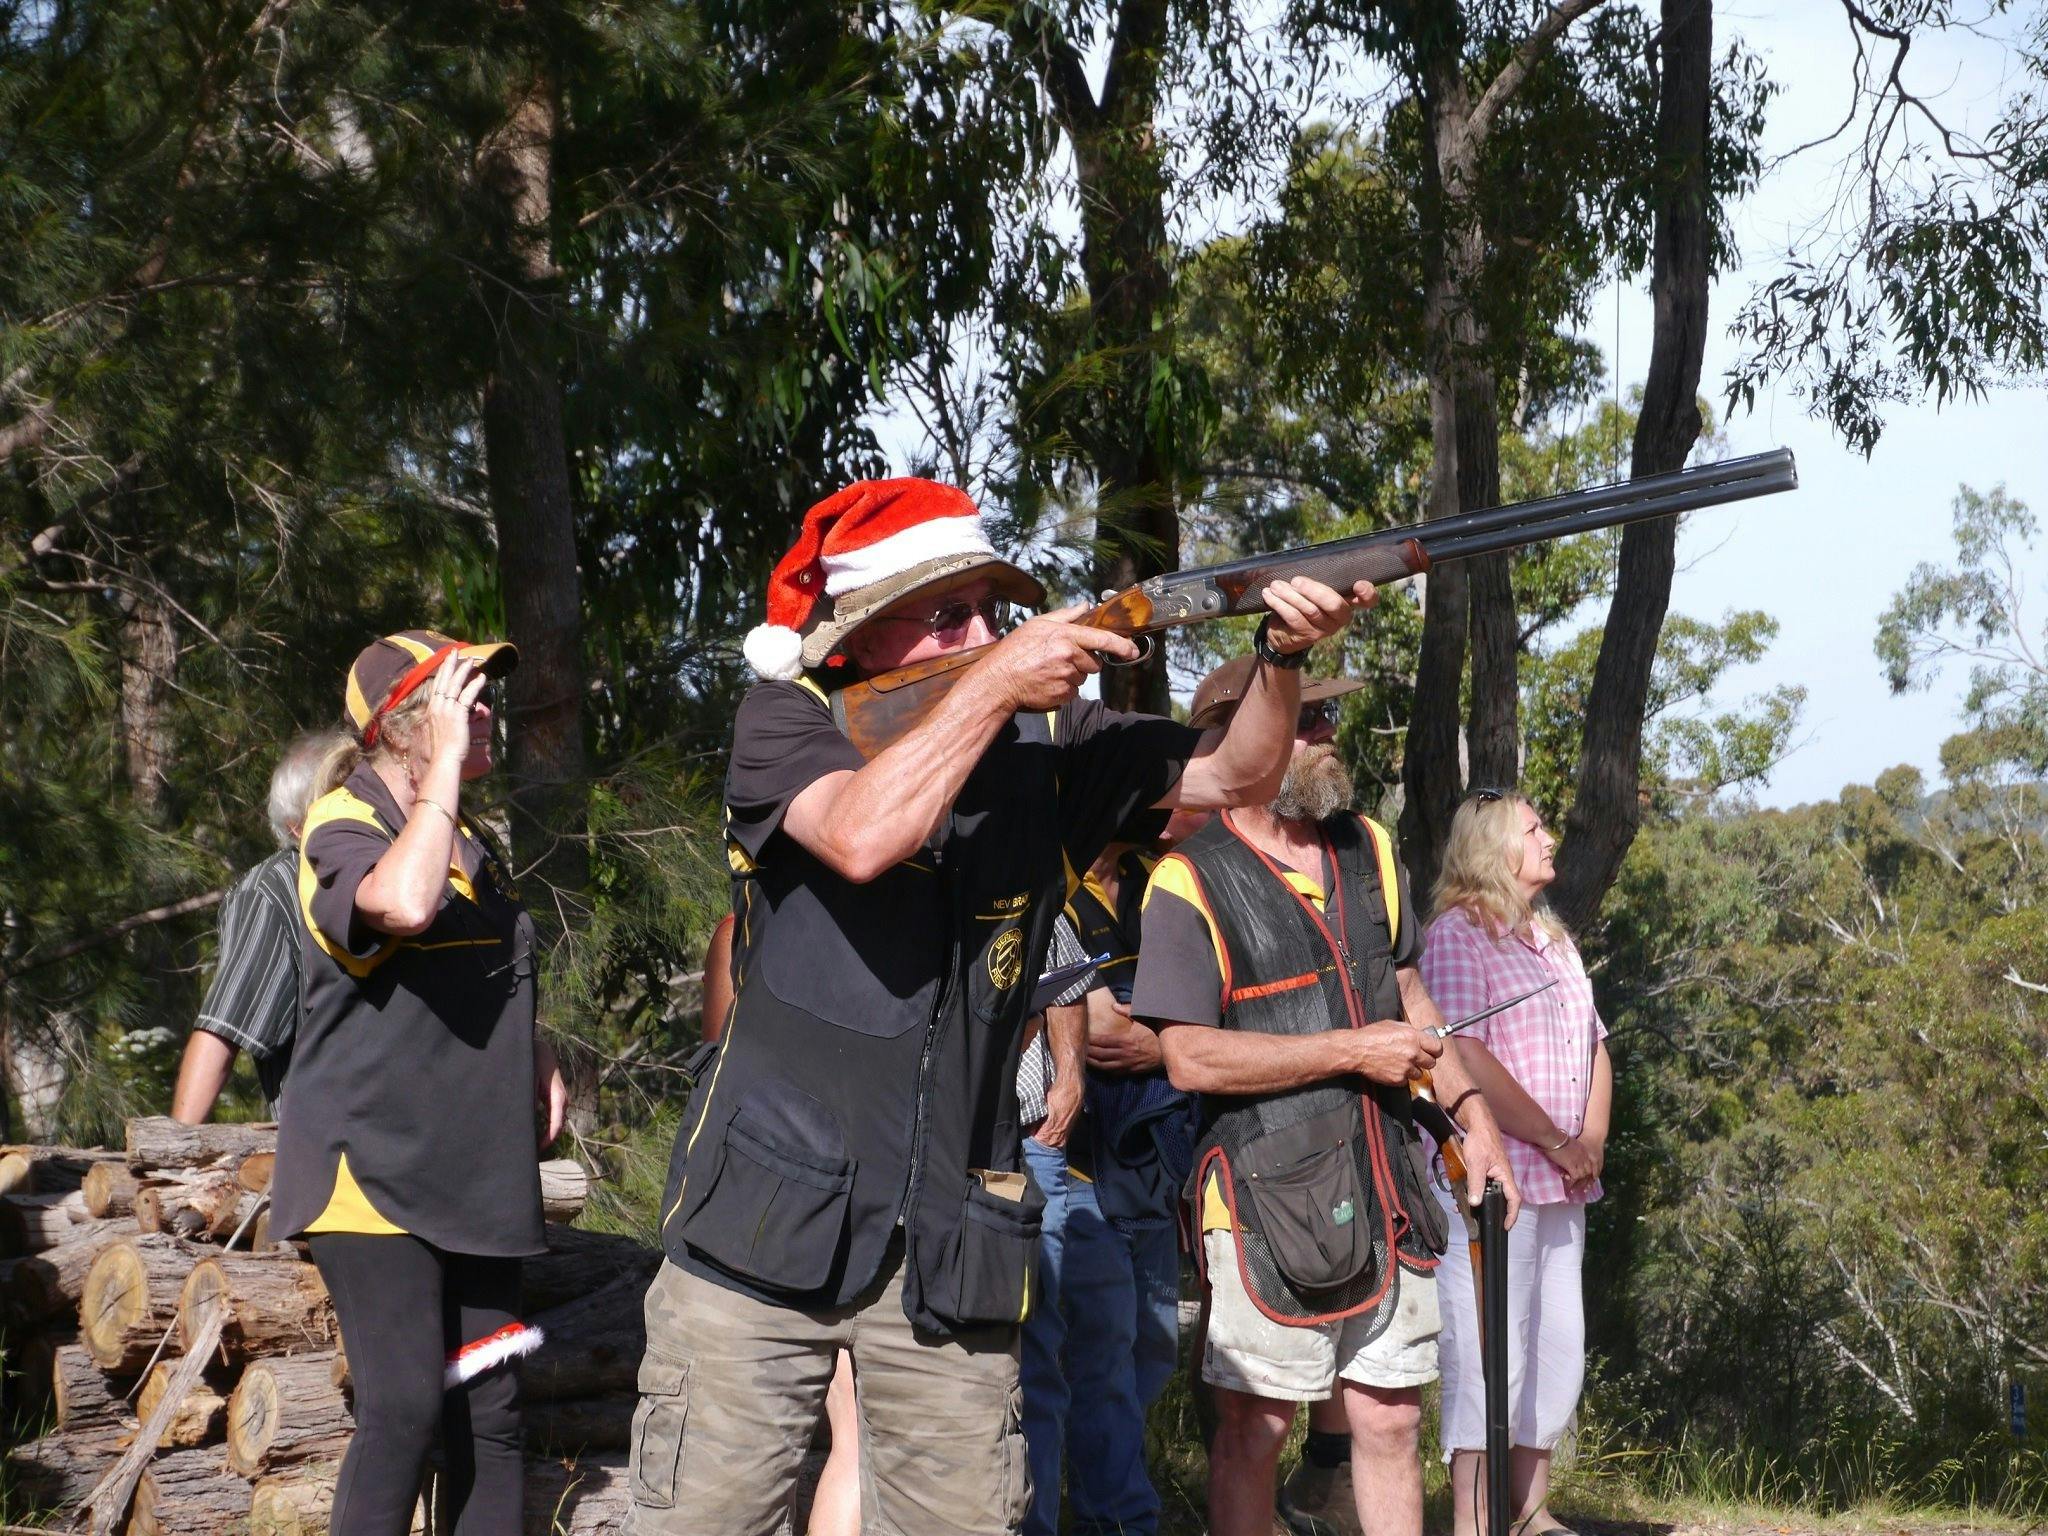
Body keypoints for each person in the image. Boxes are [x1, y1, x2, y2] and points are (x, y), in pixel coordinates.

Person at [627, 477, 1376, 1535]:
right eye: (948, 615)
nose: (984, 632)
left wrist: (1282, 657)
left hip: (953, 1239)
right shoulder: (786, 719)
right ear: (862, 635)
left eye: (992, 609)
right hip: (758, 1231)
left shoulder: (1051, 742)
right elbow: (860, 835)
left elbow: (1236, 776)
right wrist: (993, 686)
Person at [1132, 656, 1520, 1536]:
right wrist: (1355, 1048)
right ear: (1244, 737)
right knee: (1255, 1426)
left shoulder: (1370, 847)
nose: (1324, 734)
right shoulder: (1187, 878)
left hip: (1386, 1176)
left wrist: (1477, 1122)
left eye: (1322, 719)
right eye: (1303, 720)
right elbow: (1187, 1058)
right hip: (1265, 1195)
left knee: (1390, 1416)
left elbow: (1412, 998)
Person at [272, 630, 569, 1536]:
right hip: (370, 1177)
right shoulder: (346, 824)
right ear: (403, 726)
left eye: (482, 697)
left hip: (474, 1175)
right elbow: (401, 906)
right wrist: (439, 778)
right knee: (403, 1409)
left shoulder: (470, 840)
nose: (485, 714)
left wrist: (538, 1047)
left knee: (491, 1416)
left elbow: (483, 961)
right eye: (461, 699)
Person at [1420, 790, 1612, 1536]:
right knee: (1486, 1351)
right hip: (1491, 1181)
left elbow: (1596, 1045)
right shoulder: (1456, 938)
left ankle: (1530, 1512)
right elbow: (1462, 1055)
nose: (1549, 837)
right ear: (1491, 848)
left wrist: (1588, 1141)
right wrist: (1556, 1140)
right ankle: (1474, 1519)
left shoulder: (1555, 940)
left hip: (1565, 1184)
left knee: (1559, 1346)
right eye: (1533, 830)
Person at [169, 730, 337, 1123]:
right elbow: (222, 1030)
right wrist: (171, 1156)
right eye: (338, 797)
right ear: (298, 826)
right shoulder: (274, 890)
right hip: (330, 1156)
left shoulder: (389, 878)